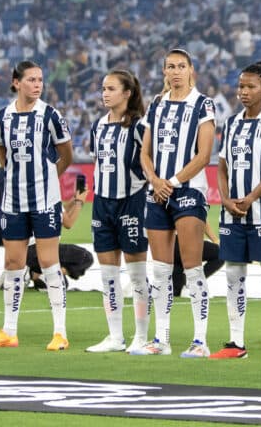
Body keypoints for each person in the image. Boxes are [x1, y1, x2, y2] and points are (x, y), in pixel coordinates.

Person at [0, 61, 73, 350]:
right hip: (13, 201)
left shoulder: (50, 115)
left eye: (40, 79)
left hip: (45, 201)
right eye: (31, 79)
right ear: (16, 82)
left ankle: (60, 332)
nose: (37, 84)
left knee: (48, 262)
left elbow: (66, 154)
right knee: (13, 263)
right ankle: (9, 331)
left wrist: (49, 179)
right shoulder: (2, 117)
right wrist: (13, 173)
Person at [134, 48, 217, 358]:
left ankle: (200, 341)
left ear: (192, 70)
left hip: (189, 191)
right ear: (164, 72)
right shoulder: (156, 105)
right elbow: (145, 152)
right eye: (171, 66)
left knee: (193, 267)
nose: (176, 71)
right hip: (157, 192)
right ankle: (161, 339)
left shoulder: (202, 104)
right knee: (160, 271)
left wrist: (173, 182)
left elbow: (204, 154)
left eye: (182, 66)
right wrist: (155, 181)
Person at [211, 62, 261, 362]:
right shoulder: (231, 123)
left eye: (250, 87)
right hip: (232, 213)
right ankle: (236, 342)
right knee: (233, 276)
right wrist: (226, 198)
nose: (243, 92)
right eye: (240, 86)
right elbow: (221, 166)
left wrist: (250, 197)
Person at [84, 69, 152, 354]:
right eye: (103, 88)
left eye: (111, 88)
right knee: (108, 274)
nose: (105, 93)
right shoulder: (98, 126)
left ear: (127, 93)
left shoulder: (139, 126)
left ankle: (142, 335)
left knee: (136, 274)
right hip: (103, 203)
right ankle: (115, 336)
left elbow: (149, 164)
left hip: (132, 202)